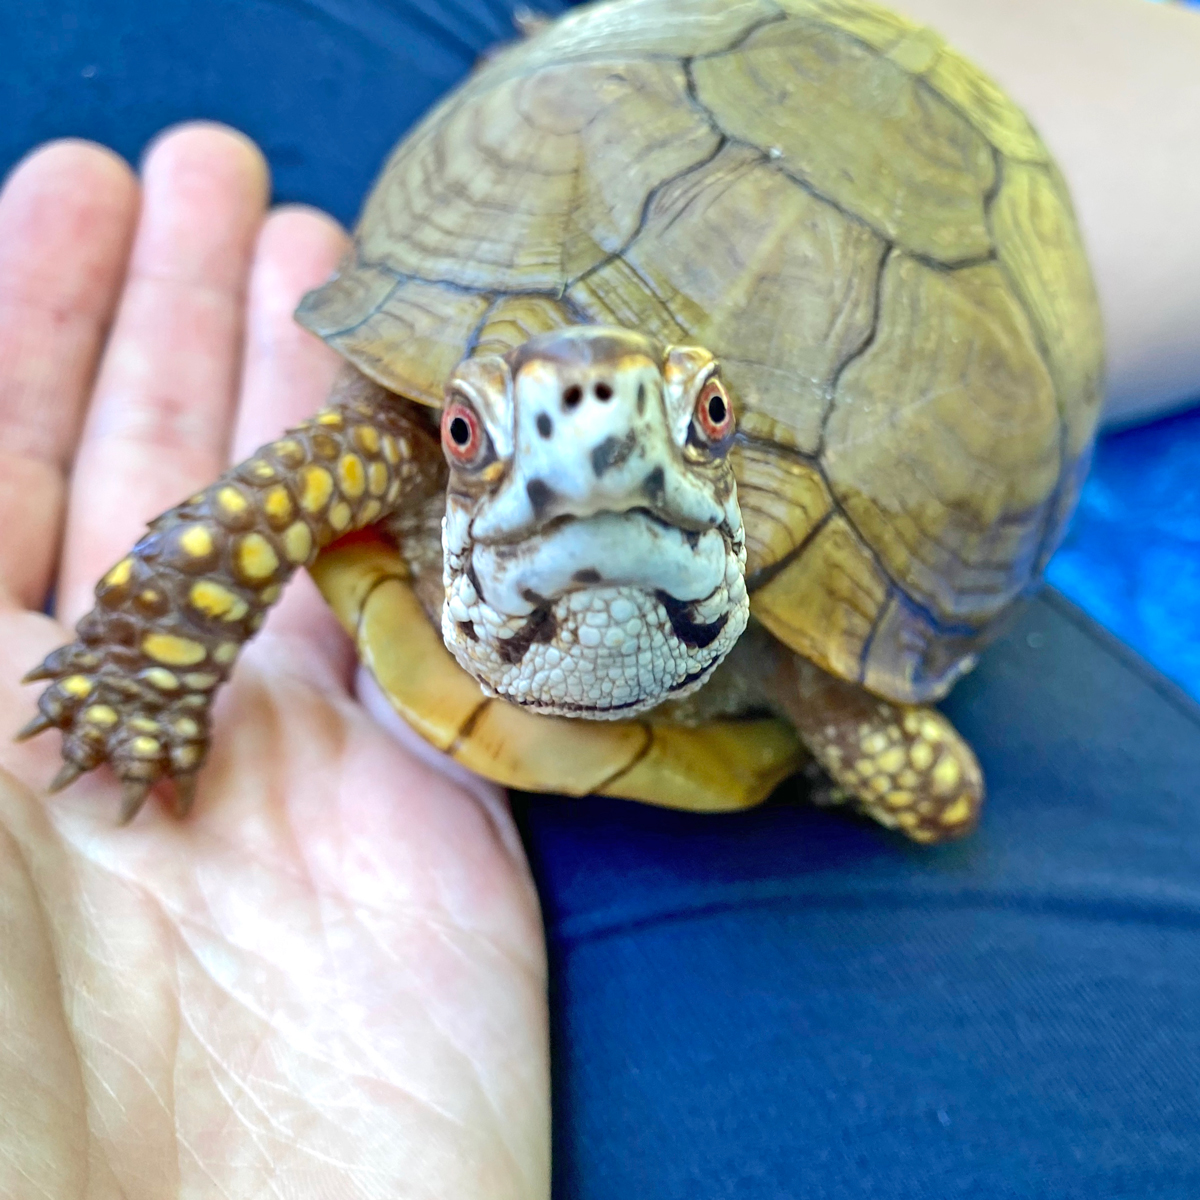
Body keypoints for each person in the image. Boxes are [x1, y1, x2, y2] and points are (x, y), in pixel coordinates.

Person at [0, 1, 1197, 1194]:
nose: (593, 468)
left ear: (717, 456)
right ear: (449, 434)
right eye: (472, 434)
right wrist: (139, 675)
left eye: (697, 428)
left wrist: (854, 736)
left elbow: (939, 793)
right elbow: (261, 516)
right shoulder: (399, 462)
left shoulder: (807, 665)